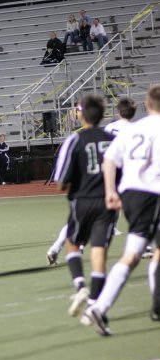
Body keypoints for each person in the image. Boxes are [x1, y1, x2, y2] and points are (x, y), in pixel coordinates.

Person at [82, 84, 160, 334]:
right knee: (141, 254)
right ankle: (156, 304)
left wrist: (110, 192)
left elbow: (110, 159)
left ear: (147, 106)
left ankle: (99, 307)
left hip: (131, 194)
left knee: (135, 253)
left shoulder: (134, 129)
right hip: (154, 194)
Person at [47, 96, 138, 265]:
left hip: (92, 174)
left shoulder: (109, 128)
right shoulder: (135, 129)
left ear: (118, 111)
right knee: (132, 209)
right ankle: (143, 243)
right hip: (117, 174)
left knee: (78, 219)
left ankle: (59, 247)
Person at [53, 95, 116, 321]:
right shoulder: (112, 139)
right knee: (99, 254)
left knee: (72, 243)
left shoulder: (75, 140)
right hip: (107, 202)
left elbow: (60, 182)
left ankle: (80, 285)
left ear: (83, 115)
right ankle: (91, 308)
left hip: (82, 201)